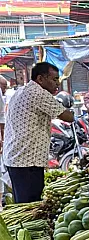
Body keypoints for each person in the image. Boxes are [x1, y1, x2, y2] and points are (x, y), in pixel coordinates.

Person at [3, 62, 74, 203]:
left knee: (22, 203)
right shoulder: (38, 93)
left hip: (16, 157)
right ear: (40, 79)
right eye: (53, 79)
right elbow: (68, 117)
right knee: (30, 205)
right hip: (28, 160)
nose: (57, 84)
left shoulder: (21, 91)